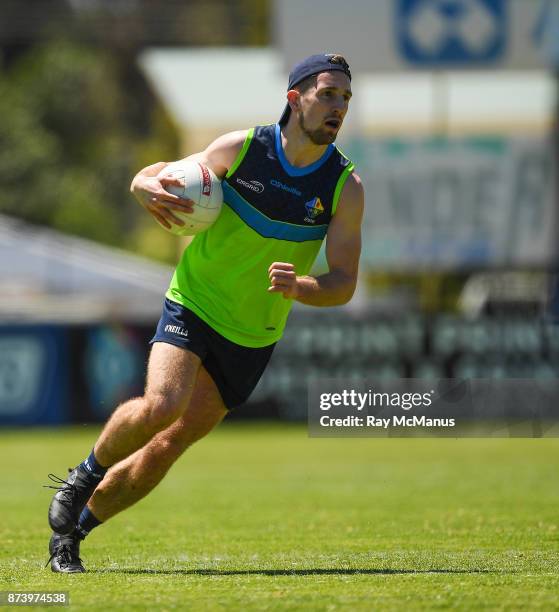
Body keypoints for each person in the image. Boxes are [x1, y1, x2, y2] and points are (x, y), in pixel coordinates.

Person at [45, 53, 364, 573]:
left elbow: (344, 283)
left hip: (253, 336)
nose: (338, 107)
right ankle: (83, 475)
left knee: (168, 445)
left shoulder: (344, 188)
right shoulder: (241, 149)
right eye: (328, 94)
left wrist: (303, 286)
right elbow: (162, 175)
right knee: (161, 405)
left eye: (345, 99)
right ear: (294, 98)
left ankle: (71, 537)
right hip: (193, 302)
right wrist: (141, 183)